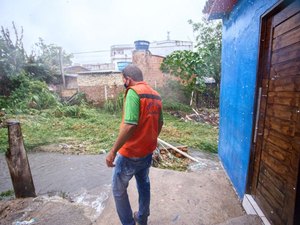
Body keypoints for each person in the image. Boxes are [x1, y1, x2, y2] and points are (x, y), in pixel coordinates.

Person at [106, 64, 163, 225]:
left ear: (128, 79)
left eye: (123, 79)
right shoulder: (156, 96)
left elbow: (130, 124)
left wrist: (112, 151)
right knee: (143, 184)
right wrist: (150, 139)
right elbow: (161, 123)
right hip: (147, 152)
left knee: (118, 190)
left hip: (130, 154)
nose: (123, 82)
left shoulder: (133, 92)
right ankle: (142, 218)